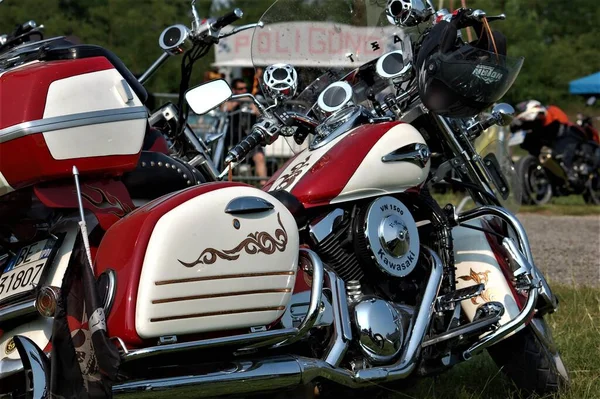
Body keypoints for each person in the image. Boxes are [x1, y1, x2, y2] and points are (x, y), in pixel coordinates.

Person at [513, 100, 586, 182]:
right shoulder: (529, 121)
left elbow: (555, 122)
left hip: (561, 136)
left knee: (564, 152)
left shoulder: (550, 111)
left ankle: (569, 172)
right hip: (548, 138)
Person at [221, 78, 268, 185]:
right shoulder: (231, 100)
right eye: (240, 89)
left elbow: (260, 113)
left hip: (250, 138)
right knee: (228, 161)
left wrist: (250, 102)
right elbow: (224, 109)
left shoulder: (251, 99)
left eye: (245, 88)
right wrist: (239, 100)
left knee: (259, 157)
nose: (243, 91)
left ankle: (264, 185)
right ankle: (227, 185)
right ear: (234, 90)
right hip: (233, 140)